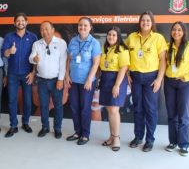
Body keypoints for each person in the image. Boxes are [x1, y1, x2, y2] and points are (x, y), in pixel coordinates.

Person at [125, 11, 167, 152]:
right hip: (135, 77)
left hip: (151, 78)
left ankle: (149, 140)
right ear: (140, 22)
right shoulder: (131, 37)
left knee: (150, 109)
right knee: (138, 108)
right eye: (143, 20)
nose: (145, 23)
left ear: (152, 23)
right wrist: (127, 74)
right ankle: (138, 137)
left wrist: (159, 79)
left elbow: (163, 60)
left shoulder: (158, 38)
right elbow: (124, 56)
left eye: (148, 21)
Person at [164, 21, 189, 156]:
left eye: (179, 30)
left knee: (183, 115)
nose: (176, 32)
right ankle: (173, 142)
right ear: (171, 32)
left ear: (184, 32)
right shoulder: (167, 47)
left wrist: (187, 77)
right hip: (169, 83)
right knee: (171, 114)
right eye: (174, 29)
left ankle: (184, 144)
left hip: (184, 84)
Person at [65, 17, 101, 145]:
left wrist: (89, 79)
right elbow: (68, 59)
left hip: (87, 82)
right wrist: (66, 75)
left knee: (85, 109)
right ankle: (77, 132)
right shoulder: (73, 41)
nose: (83, 27)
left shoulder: (94, 43)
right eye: (80, 25)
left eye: (85, 25)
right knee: (74, 107)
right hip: (73, 81)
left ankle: (85, 135)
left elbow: (96, 63)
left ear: (90, 27)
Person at [29, 21, 67, 139]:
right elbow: (31, 58)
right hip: (41, 81)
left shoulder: (61, 43)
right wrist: (34, 59)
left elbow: (63, 63)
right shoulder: (37, 44)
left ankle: (57, 128)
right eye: (42, 29)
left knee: (58, 106)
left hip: (56, 80)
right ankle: (45, 127)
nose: (44, 31)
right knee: (43, 105)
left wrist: (61, 79)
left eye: (46, 29)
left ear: (52, 29)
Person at [1, 13, 37, 138]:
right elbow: (4, 54)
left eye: (23, 21)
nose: (20, 23)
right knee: (12, 100)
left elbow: (36, 57)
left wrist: (33, 73)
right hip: (12, 74)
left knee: (27, 101)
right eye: (18, 21)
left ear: (26, 22)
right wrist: (9, 51)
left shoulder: (33, 37)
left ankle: (25, 123)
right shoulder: (9, 37)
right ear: (14, 23)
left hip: (27, 74)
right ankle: (13, 125)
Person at [99, 26, 130, 152]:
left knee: (114, 110)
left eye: (114, 35)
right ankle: (111, 136)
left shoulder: (122, 49)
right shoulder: (104, 48)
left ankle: (116, 138)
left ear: (118, 37)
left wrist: (116, 85)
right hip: (106, 79)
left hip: (117, 79)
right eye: (109, 34)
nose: (111, 37)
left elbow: (123, 68)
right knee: (109, 110)